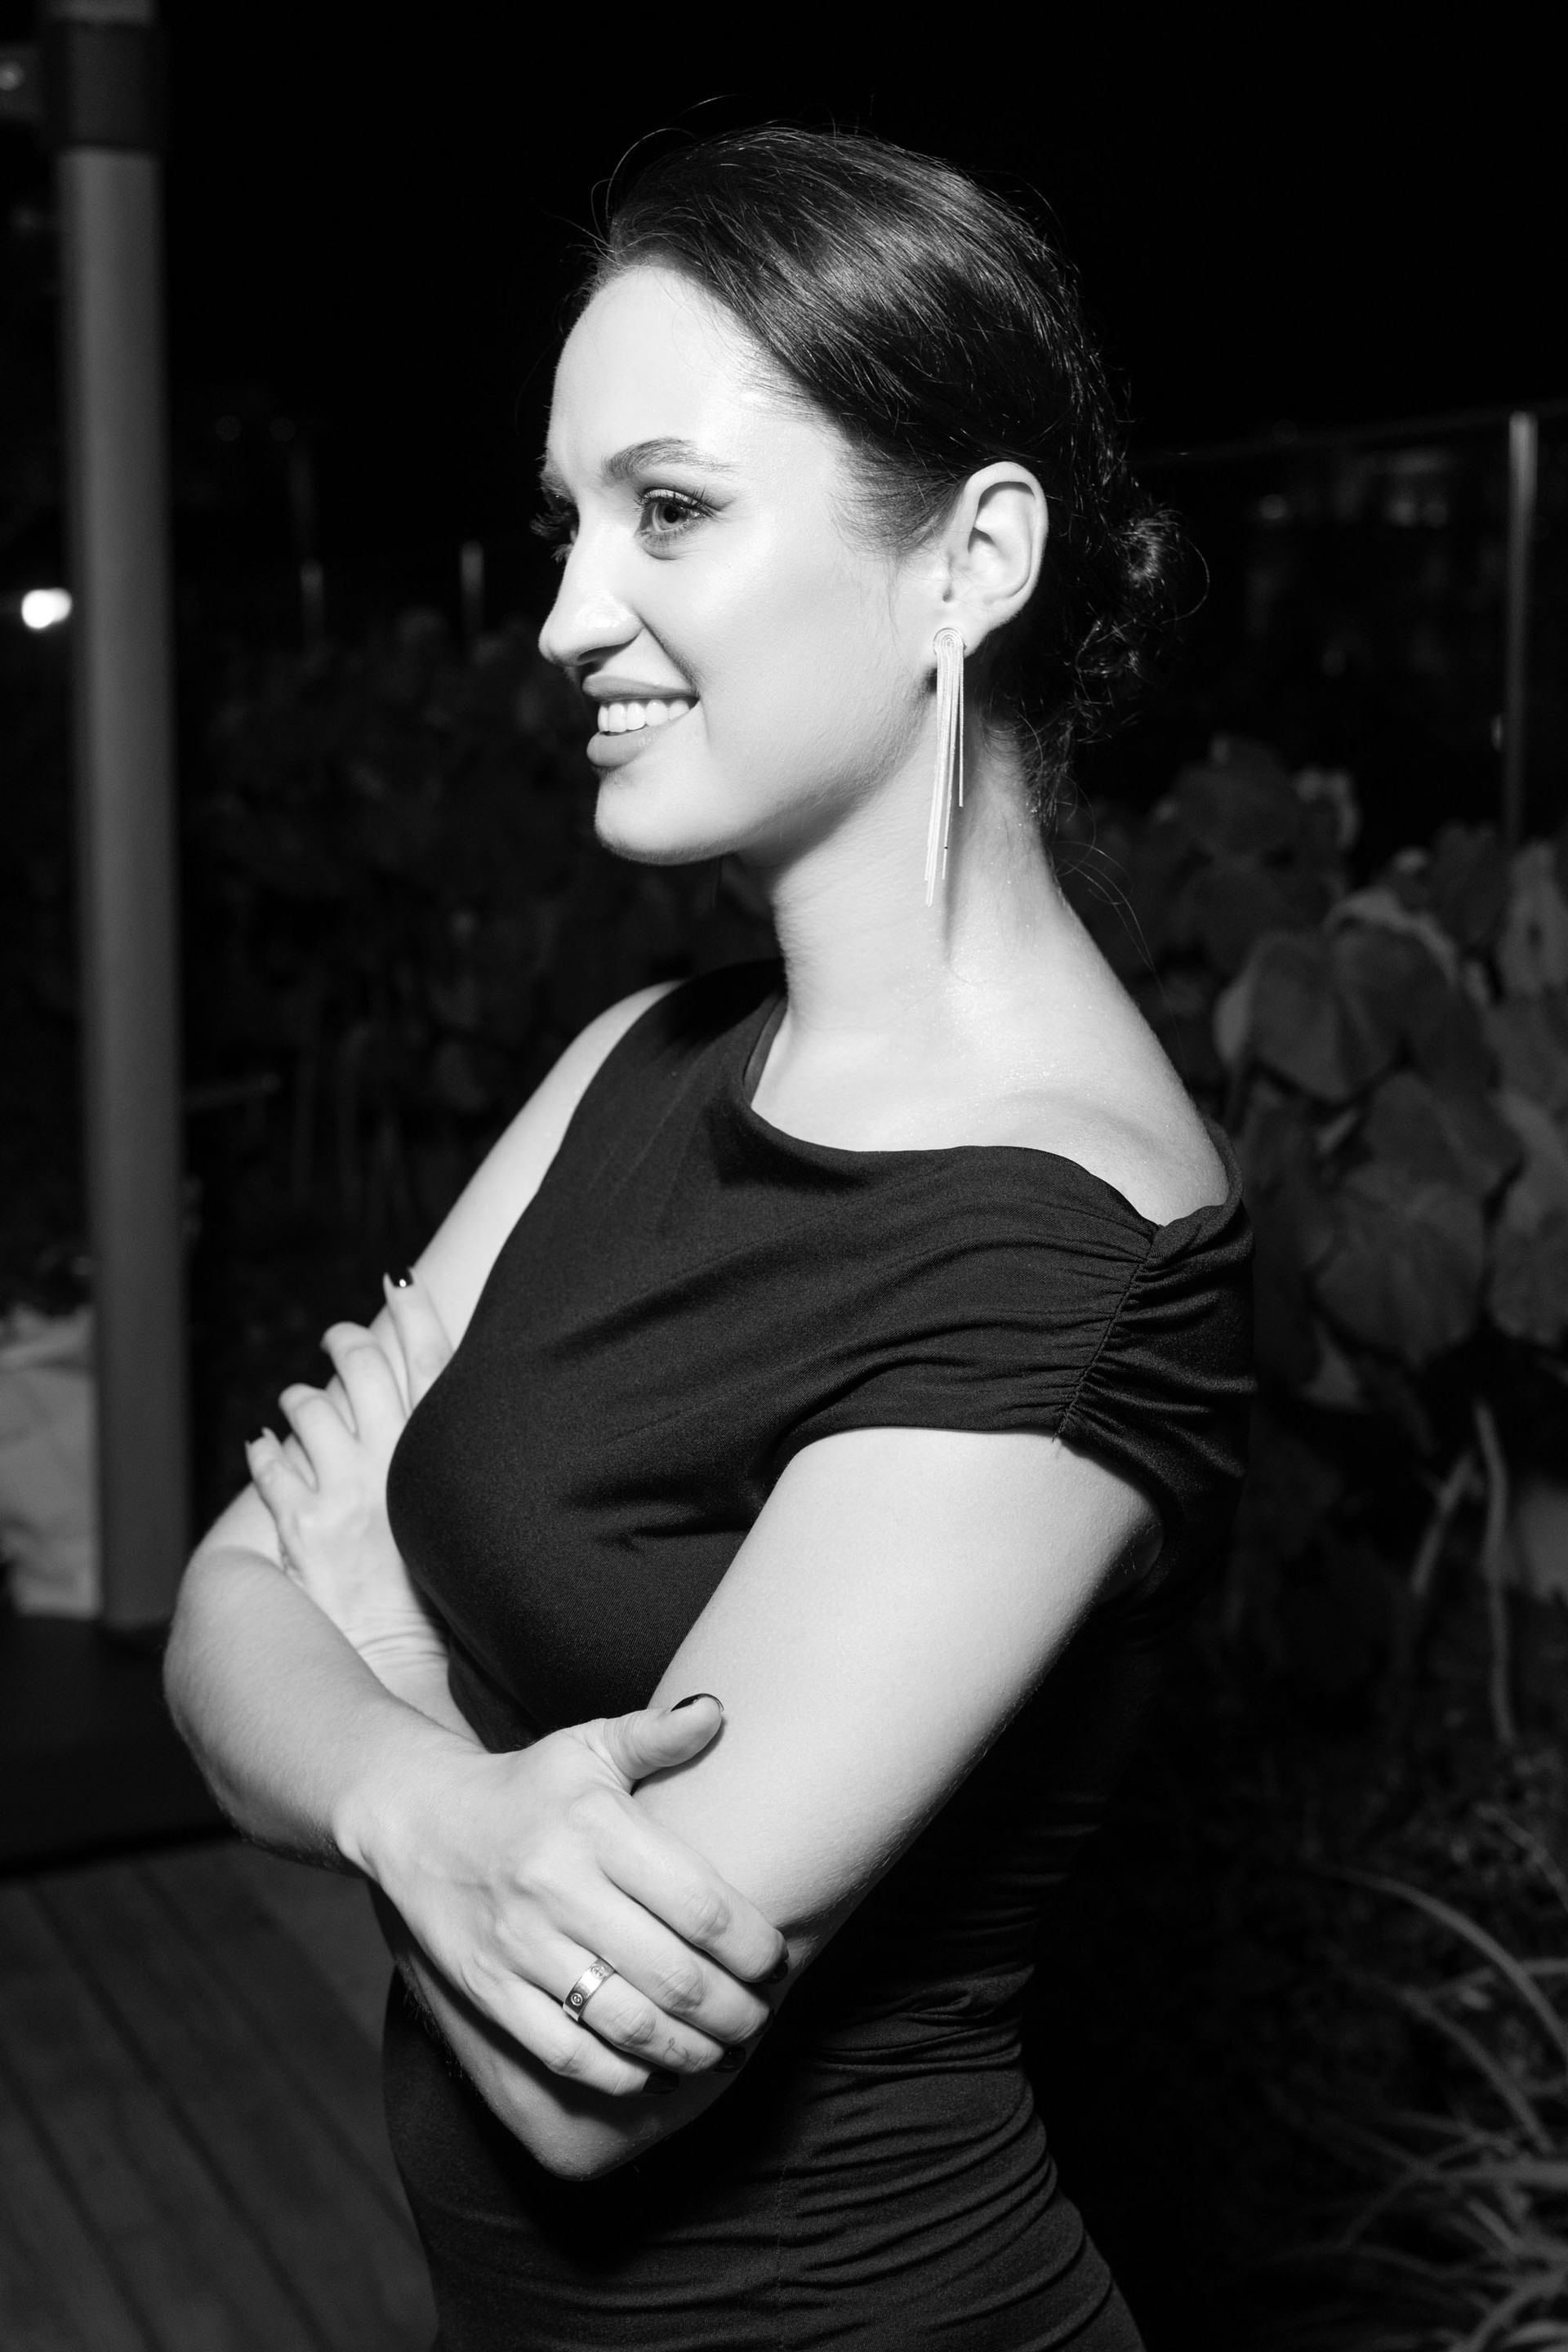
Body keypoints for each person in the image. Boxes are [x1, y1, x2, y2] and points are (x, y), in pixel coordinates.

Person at [166, 125, 1252, 2351]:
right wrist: (425, 1803)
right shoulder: (637, 1064)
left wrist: (379, 1680)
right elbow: (215, 1617)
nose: (568, 614)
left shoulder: (1067, 1252)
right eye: (565, 521)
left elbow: (590, 2082)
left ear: (971, 562)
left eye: (667, 509)